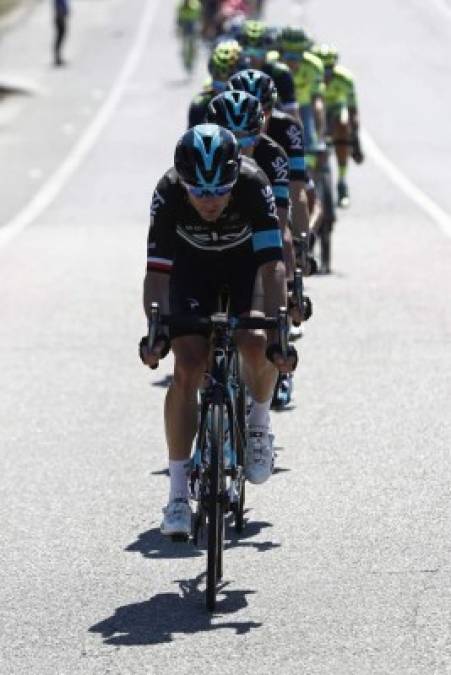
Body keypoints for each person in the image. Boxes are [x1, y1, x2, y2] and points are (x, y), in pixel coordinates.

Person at [140, 124, 298, 536]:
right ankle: (177, 496)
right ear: (184, 184)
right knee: (187, 368)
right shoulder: (168, 192)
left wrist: (280, 327)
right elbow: (157, 274)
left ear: (233, 180)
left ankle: (259, 423)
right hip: (191, 271)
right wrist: (155, 329)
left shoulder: (252, 185)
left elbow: (273, 265)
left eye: (218, 191)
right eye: (199, 192)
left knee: (257, 342)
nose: (209, 202)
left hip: (246, 268)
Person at [311, 43, 364, 207]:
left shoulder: (345, 79)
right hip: (314, 110)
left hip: (335, 111)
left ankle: (342, 183)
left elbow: (353, 109)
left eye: (329, 69)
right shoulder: (310, 75)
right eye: (323, 69)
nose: (326, 74)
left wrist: (354, 138)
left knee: (343, 122)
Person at [187, 39, 244, 127]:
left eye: (229, 76)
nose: (222, 82)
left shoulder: (253, 104)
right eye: (217, 75)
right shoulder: (201, 104)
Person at [53, 0, 69, 67]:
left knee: (61, 36)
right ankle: (57, 58)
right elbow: (60, 5)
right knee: (60, 36)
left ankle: (58, 57)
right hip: (60, 16)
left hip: (60, 16)